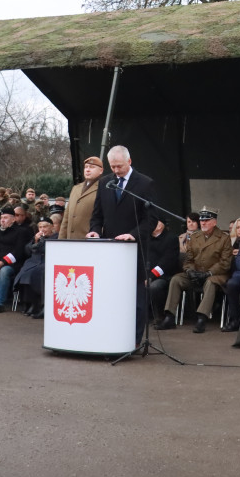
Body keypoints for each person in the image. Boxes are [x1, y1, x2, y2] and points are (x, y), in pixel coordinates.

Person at [86, 145, 159, 343]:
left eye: (119, 166)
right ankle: (110, 336)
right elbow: (97, 215)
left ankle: (133, 340)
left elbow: (151, 219)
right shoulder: (105, 183)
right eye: (113, 167)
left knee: (136, 299)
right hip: (109, 250)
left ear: (129, 161)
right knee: (111, 297)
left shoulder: (145, 184)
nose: (116, 171)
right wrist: (94, 229)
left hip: (135, 250)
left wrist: (132, 235)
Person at [155, 207, 231, 333]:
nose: (203, 223)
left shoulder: (224, 238)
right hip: (196, 273)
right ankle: (169, 316)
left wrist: (208, 272)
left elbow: (225, 262)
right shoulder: (195, 237)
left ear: (215, 222)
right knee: (176, 279)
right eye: (202, 220)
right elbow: (189, 259)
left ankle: (202, 318)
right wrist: (190, 271)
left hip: (215, 274)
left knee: (210, 282)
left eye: (207, 220)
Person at [14, 217, 56, 319]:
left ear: (51, 227)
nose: (42, 229)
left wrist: (38, 243)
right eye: (40, 227)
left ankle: (37, 305)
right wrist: (35, 241)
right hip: (33, 262)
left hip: (46, 262)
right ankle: (29, 303)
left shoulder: (55, 237)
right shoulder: (37, 237)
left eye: (45, 227)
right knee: (24, 274)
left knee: (34, 274)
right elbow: (27, 251)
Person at [144, 219, 182, 323]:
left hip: (165, 275)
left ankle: (159, 315)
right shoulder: (146, 238)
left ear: (160, 225)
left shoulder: (171, 238)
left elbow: (166, 262)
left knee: (155, 286)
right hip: (146, 274)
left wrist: (151, 276)